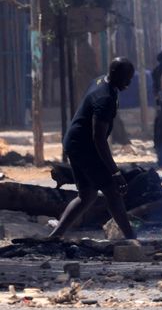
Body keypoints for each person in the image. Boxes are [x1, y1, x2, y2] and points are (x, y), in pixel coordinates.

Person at [49, 58, 137, 240]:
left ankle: (55, 235)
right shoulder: (105, 98)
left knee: (86, 195)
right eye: (126, 78)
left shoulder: (100, 81)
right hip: (83, 146)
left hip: (74, 142)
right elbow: (98, 138)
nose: (129, 82)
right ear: (114, 75)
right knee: (112, 190)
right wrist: (114, 171)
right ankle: (131, 238)